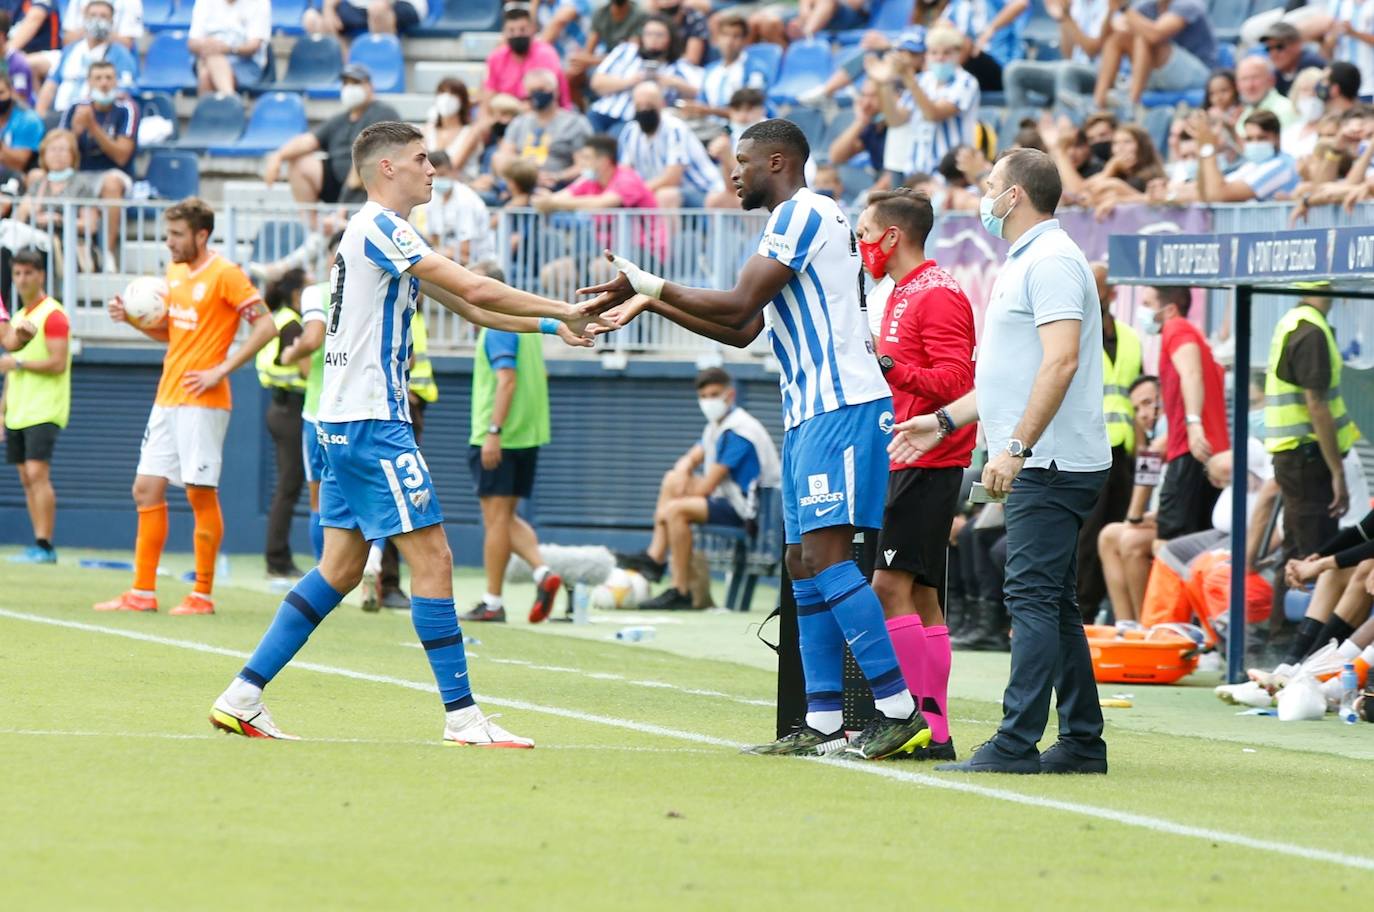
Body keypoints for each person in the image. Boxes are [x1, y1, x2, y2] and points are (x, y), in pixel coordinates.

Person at [208, 120, 610, 746]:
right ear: (387, 168)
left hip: (340, 423)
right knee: (435, 558)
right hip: (373, 422)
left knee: (340, 568)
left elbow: (472, 309)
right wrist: (564, 307)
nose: (433, 170)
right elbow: (475, 286)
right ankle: (462, 716)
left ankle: (242, 694)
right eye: (422, 159)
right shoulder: (383, 228)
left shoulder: (374, 233)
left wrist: (549, 329)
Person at [583, 119, 929, 762]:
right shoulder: (802, 224)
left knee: (827, 558)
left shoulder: (801, 213)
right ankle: (823, 718)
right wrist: (652, 302)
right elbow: (744, 329)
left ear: (778, 161)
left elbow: (739, 301)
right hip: (807, 414)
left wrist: (651, 284)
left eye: (741, 162)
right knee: (802, 563)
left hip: (842, 407)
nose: (732, 174)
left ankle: (897, 710)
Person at [888, 148, 1111, 775]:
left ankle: (1015, 743)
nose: (982, 195)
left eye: (991, 185)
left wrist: (1016, 447)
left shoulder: (1053, 261)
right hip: (1045, 457)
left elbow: (1060, 362)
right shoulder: (1028, 260)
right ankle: (1083, 742)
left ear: (1014, 196)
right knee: (1053, 602)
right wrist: (942, 421)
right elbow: (1006, 374)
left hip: (1053, 461)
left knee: (1031, 597)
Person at [94, 198, 280, 616]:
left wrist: (222, 369)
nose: (169, 243)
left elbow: (266, 326)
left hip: (204, 400)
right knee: (145, 488)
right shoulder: (174, 272)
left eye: (176, 235)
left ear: (201, 234)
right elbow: (174, 336)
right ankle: (142, 592)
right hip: (168, 395)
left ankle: (202, 594)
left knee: (199, 493)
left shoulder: (226, 275)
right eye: (167, 234)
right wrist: (133, 321)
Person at [857, 188, 976, 762]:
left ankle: (910, 723)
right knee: (924, 596)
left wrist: (887, 363)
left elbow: (957, 382)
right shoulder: (902, 290)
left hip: (927, 458)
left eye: (863, 234)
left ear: (891, 237)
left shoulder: (939, 293)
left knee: (888, 589)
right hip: (907, 454)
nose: (861, 246)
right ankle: (937, 732)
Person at [617, 368, 781, 611]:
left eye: (714, 394)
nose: (708, 402)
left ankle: (679, 589)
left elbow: (706, 487)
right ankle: (655, 558)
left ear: (730, 395)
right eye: (703, 396)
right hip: (728, 502)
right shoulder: (718, 425)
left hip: (750, 515)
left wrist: (665, 512)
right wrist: (683, 470)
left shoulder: (740, 432)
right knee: (673, 479)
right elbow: (690, 459)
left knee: (675, 512)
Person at [1265, 295, 1361, 644]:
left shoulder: (1293, 322)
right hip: (1308, 457)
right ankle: (1301, 652)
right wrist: (1337, 471)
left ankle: (1283, 644)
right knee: (1313, 554)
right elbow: (1317, 404)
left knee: (1296, 551)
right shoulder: (1311, 331)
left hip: (1296, 455)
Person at [458, 317, 565, 624]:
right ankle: (543, 573)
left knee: (495, 522)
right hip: (527, 435)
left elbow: (507, 379)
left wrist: (494, 431)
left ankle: (492, 602)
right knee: (506, 518)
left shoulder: (497, 327)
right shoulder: (528, 328)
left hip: (499, 437)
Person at [1073, 262, 1140, 622]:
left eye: (1101, 286)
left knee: (1113, 532)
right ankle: (1081, 613)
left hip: (1124, 453)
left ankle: (1103, 611)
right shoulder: (1074, 332)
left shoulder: (1130, 337)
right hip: (1087, 447)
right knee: (1087, 538)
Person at [1136, 284, 1229, 542]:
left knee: (1169, 543)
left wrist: (1194, 422)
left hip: (1192, 453)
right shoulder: (1192, 335)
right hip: (1199, 452)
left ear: (1170, 309)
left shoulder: (1176, 328)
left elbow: (1191, 372)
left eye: (1147, 304)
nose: (1141, 311)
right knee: (1194, 543)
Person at [276, 232, 344, 567]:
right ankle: (370, 565)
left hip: (319, 414)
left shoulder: (318, 293)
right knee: (370, 499)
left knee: (320, 499)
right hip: (366, 411)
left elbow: (312, 341)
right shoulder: (382, 292)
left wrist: (292, 351)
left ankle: (325, 573)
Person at [1, 247, 68, 565]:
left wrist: (19, 360)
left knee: (37, 472)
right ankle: (37, 543)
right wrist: (2, 412)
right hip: (18, 410)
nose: (23, 279)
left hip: (45, 408)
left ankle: (45, 544)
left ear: (41, 275)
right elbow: (11, 372)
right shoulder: (16, 318)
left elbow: (57, 363)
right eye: (17, 273)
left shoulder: (53, 314)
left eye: (29, 273)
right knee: (26, 477)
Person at [263, 65, 400, 218]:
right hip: (336, 182)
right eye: (346, 83)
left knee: (363, 161)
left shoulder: (382, 113)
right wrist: (279, 156)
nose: (349, 88)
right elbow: (308, 141)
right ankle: (314, 231)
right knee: (299, 163)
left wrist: (342, 206)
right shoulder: (339, 120)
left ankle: (341, 215)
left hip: (368, 186)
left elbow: (368, 157)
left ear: (370, 86)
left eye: (355, 83)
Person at [255, 268, 309, 581]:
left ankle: (278, 556)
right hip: (291, 410)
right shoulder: (293, 324)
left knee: (287, 487)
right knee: (288, 487)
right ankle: (277, 559)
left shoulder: (280, 318)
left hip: (280, 407)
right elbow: (305, 370)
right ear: (295, 293)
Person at [871, 25, 980, 181]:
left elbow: (933, 114)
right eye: (934, 52)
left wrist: (908, 77)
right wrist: (883, 84)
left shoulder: (966, 82)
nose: (940, 58)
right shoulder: (923, 80)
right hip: (916, 173)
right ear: (927, 55)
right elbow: (896, 120)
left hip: (949, 174)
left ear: (958, 54)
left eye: (946, 53)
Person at [1096, 374, 1163, 623]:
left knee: (1131, 540)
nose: (1143, 413)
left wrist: (1135, 517)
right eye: (1136, 409)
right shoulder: (1154, 434)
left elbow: (1150, 463)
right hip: (1160, 519)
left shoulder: (1171, 430)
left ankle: (1147, 624)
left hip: (1182, 523)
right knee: (1108, 536)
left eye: (1148, 403)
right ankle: (1127, 624)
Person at [58, 59, 137, 265]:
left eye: (109, 78)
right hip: (78, 174)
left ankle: (107, 253)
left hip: (112, 173)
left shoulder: (126, 108)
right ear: (89, 82)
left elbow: (122, 155)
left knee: (111, 184)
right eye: (98, 78)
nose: (104, 83)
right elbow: (58, 153)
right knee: (39, 178)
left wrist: (93, 128)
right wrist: (75, 133)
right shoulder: (75, 107)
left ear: (116, 81)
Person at [1092, 0, 1216, 115]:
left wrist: (1123, 7)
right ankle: (1097, 106)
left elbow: (1155, 35)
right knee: (1118, 38)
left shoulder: (1188, 4)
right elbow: (1109, 34)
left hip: (1199, 75)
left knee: (1144, 37)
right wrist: (1112, 9)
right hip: (1161, 73)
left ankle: (1131, 104)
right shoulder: (1148, 6)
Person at [618, 81, 723, 209]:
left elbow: (672, 179)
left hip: (702, 191)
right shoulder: (630, 131)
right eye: (639, 106)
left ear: (662, 105)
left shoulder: (674, 128)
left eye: (649, 105)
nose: (644, 110)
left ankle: (667, 230)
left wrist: (636, 192)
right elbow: (625, 171)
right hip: (654, 191)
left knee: (666, 195)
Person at [1004, 0, 1112, 117]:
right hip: (1075, 69)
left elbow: (1091, 50)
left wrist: (1067, 18)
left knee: (1067, 70)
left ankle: (1064, 128)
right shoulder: (1077, 4)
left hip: (1102, 73)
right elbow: (1068, 53)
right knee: (1014, 71)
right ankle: (1023, 128)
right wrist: (1063, 19)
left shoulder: (1108, 5)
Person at [491, 68, 593, 188]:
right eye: (531, 91)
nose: (536, 94)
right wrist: (527, 177)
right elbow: (505, 156)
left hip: (558, 187)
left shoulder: (575, 123)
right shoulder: (519, 122)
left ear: (555, 91)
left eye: (541, 89)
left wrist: (557, 177)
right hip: (521, 184)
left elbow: (584, 165)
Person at [35, 0, 135, 115]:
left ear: (111, 21)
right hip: (61, 113)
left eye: (103, 16)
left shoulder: (121, 54)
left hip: (94, 116)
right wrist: (40, 115)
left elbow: (125, 92)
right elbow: (51, 85)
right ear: (84, 19)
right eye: (93, 15)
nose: (97, 20)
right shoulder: (71, 50)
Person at [1192, 110, 1300, 203]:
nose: (1255, 143)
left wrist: (1207, 147)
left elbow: (1217, 194)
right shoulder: (1252, 165)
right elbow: (1206, 191)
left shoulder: (1282, 166)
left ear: (1277, 139)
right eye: (1249, 139)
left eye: (1261, 138)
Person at [415, 150, 496, 268]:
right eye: (433, 175)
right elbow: (433, 238)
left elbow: (465, 252)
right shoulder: (432, 199)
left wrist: (439, 252)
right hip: (450, 261)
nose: (437, 179)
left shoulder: (466, 200)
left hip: (480, 265)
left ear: (452, 172)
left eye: (442, 174)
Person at [483, 6, 572, 110]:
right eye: (511, 30)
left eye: (522, 30)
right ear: (504, 32)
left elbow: (547, 97)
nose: (517, 34)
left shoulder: (546, 54)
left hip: (545, 114)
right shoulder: (496, 58)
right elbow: (488, 99)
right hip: (507, 116)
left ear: (532, 29)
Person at [187, 0, 271, 95]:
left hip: (246, 64)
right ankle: (231, 100)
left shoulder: (259, 2)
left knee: (205, 75)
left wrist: (227, 49)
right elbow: (192, 43)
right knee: (212, 57)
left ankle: (229, 100)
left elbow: (254, 46)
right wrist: (209, 45)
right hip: (206, 56)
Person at [421, 79, 477, 182]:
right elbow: (421, 163)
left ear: (462, 100)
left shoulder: (470, 132)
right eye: (442, 92)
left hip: (463, 186)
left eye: (453, 94)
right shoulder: (427, 130)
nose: (446, 98)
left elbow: (453, 166)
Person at [1261, 20, 1327, 98]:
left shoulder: (1312, 65)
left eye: (1279, 47)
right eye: (1268, 49)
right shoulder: (1277, 75)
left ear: (1297, 44)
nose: (1273, 54)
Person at [0, 71, 46, 173]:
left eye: (1, 93)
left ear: (11, 92)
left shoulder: (28, 119)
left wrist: (2, 147)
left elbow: (20, 163)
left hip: (17, 178)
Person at [303, 0, 426, 37]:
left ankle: (381, 69)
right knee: (312, 19)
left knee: (378, 9)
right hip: (361, 5)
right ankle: (346, 71)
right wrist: (328, 9)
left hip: (403, 4)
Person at [1237, 56, 1297, 130]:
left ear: (1271, 80)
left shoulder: (1287, 110)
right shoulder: (1244, 115)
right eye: (1244, 79)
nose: (1249, 85)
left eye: (1255, 77)